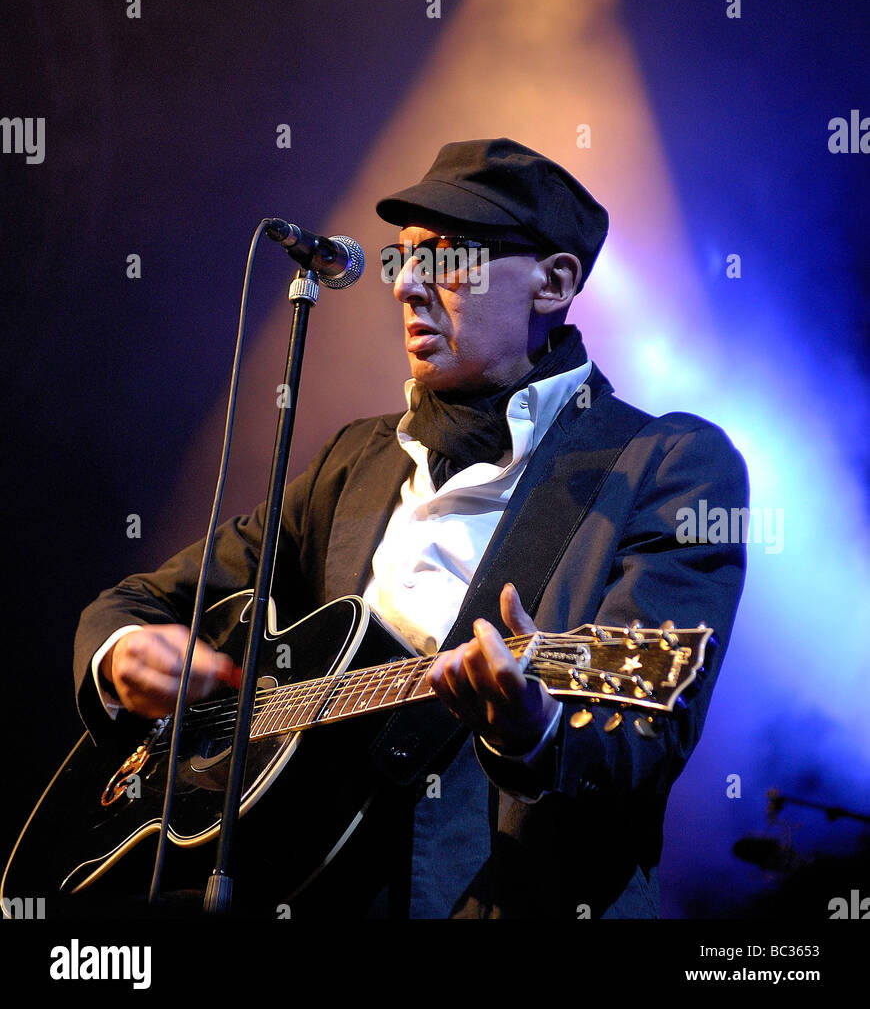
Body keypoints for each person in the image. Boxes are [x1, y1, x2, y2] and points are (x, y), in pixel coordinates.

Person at [74, 137, 747, 919]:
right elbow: (137, 603)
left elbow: (644, 741)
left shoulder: (664, 463)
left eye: (450, 258)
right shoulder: (352, 460)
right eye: (400, 261)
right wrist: (126, 656)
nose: (406, 289)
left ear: (554, 282)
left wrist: (534, 731)